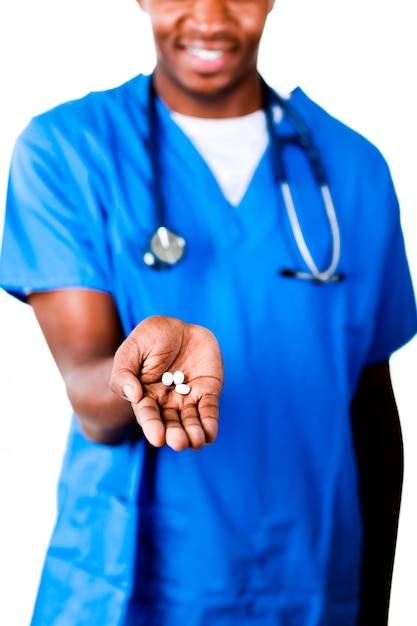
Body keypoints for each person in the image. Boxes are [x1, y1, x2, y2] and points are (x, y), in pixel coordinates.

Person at [0, 0, 416, 624]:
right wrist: (147, 366)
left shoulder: (354, 171)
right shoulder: (68, 150)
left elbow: (372, 419)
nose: (209, 15)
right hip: (132, 595)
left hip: (309, 587)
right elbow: (91, 394)